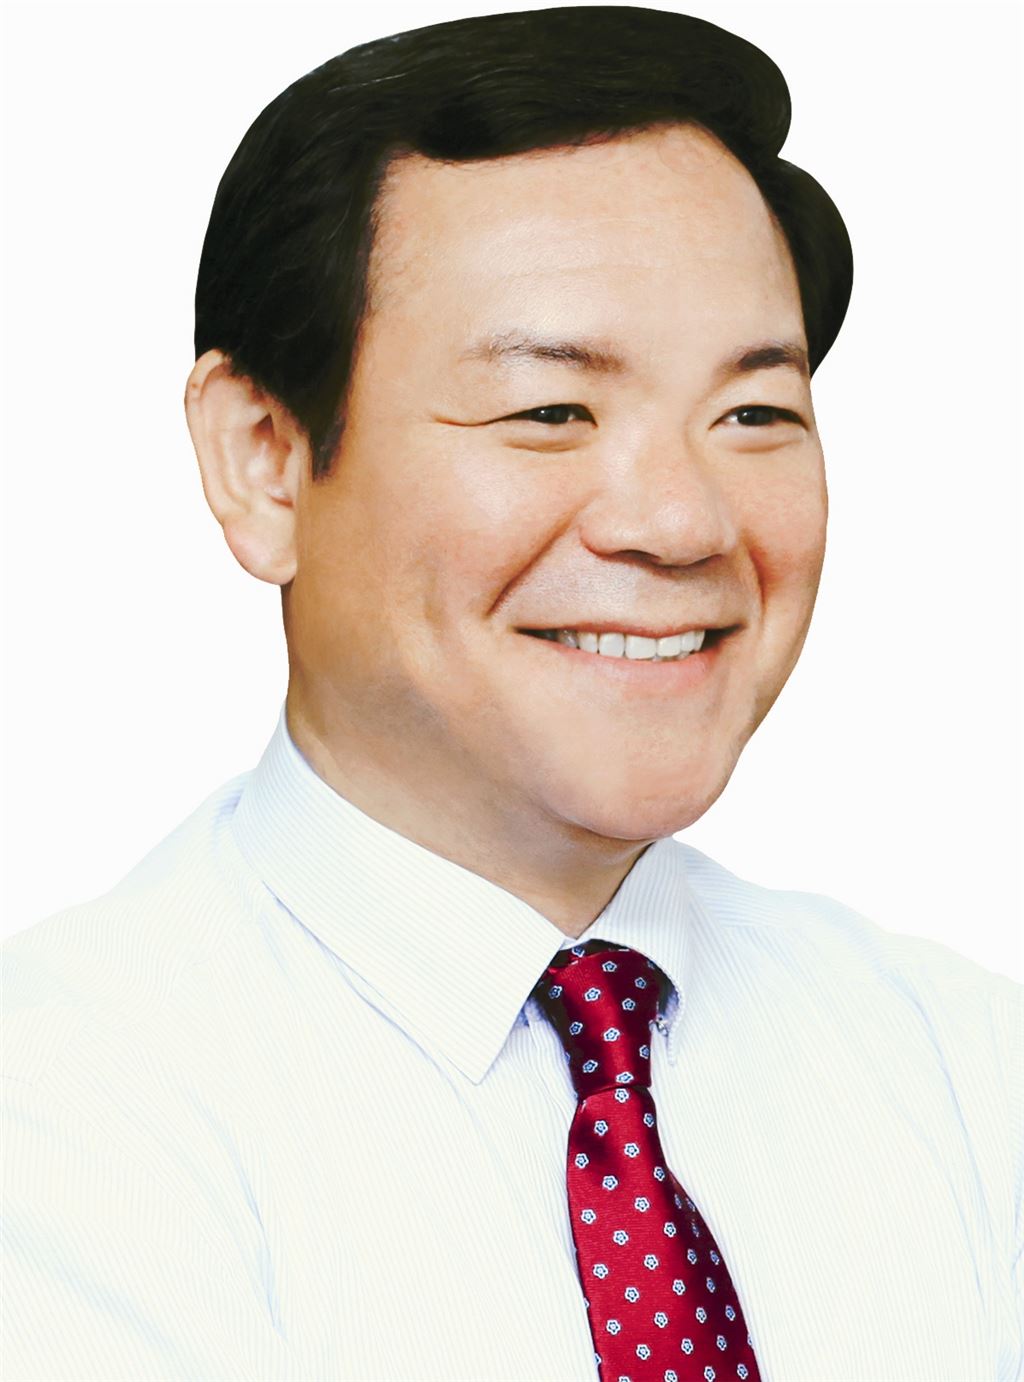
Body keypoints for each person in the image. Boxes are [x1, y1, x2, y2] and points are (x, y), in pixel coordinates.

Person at [2, 6, 1020, 1381]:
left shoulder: (964, 1064)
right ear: (263, 458)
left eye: (753, 414)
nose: (681, 522)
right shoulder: (62, 1112)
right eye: (551, 412)